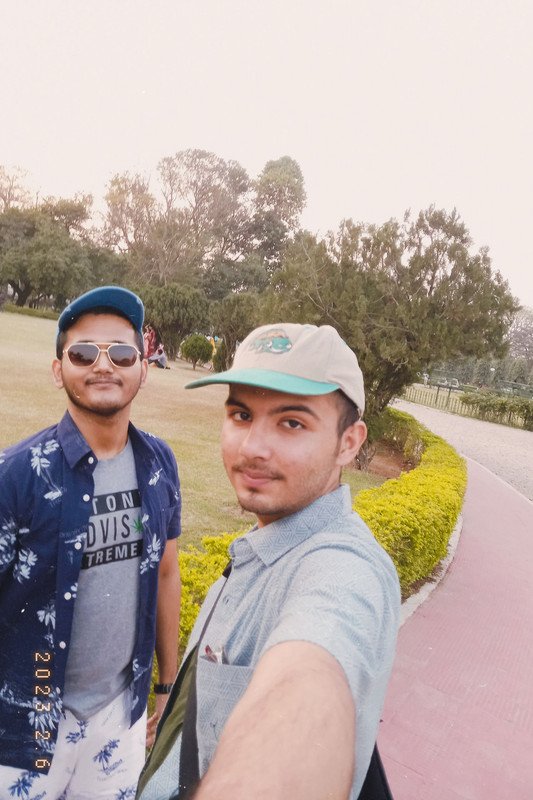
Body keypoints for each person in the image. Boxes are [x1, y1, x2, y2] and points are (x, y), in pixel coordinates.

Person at [137, 323, 401, 800]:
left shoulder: (343, 567)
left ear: (349, 442)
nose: (252, 448)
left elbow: (309, 681)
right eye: (241, 414)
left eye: (292, 422)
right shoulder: (260, 546)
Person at [0, 286, 182, 799]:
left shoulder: (159, 464)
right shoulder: (18, 475)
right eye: (83, 353)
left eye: (121, 353)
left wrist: (166, 685)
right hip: (27, 723)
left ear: (143, 368)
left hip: (118, 718)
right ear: (59, 369)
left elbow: (166, 571)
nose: (104, 365)